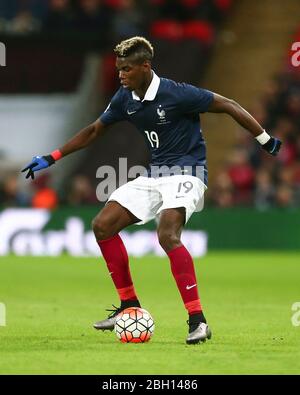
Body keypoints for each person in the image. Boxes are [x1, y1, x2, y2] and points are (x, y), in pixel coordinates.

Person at [22, 36, 282, 344]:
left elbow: (228, 104)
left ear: (145, 66)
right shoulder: (124, 98)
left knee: (167, 235)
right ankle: (129, 305)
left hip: (189, 170)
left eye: (126, 69)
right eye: (119, 69)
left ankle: (197, 320)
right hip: (154, 174)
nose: (120, 75)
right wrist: (53, 156)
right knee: (102, 225)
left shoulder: (178, 93)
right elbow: (94, 130)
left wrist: (263, 138)